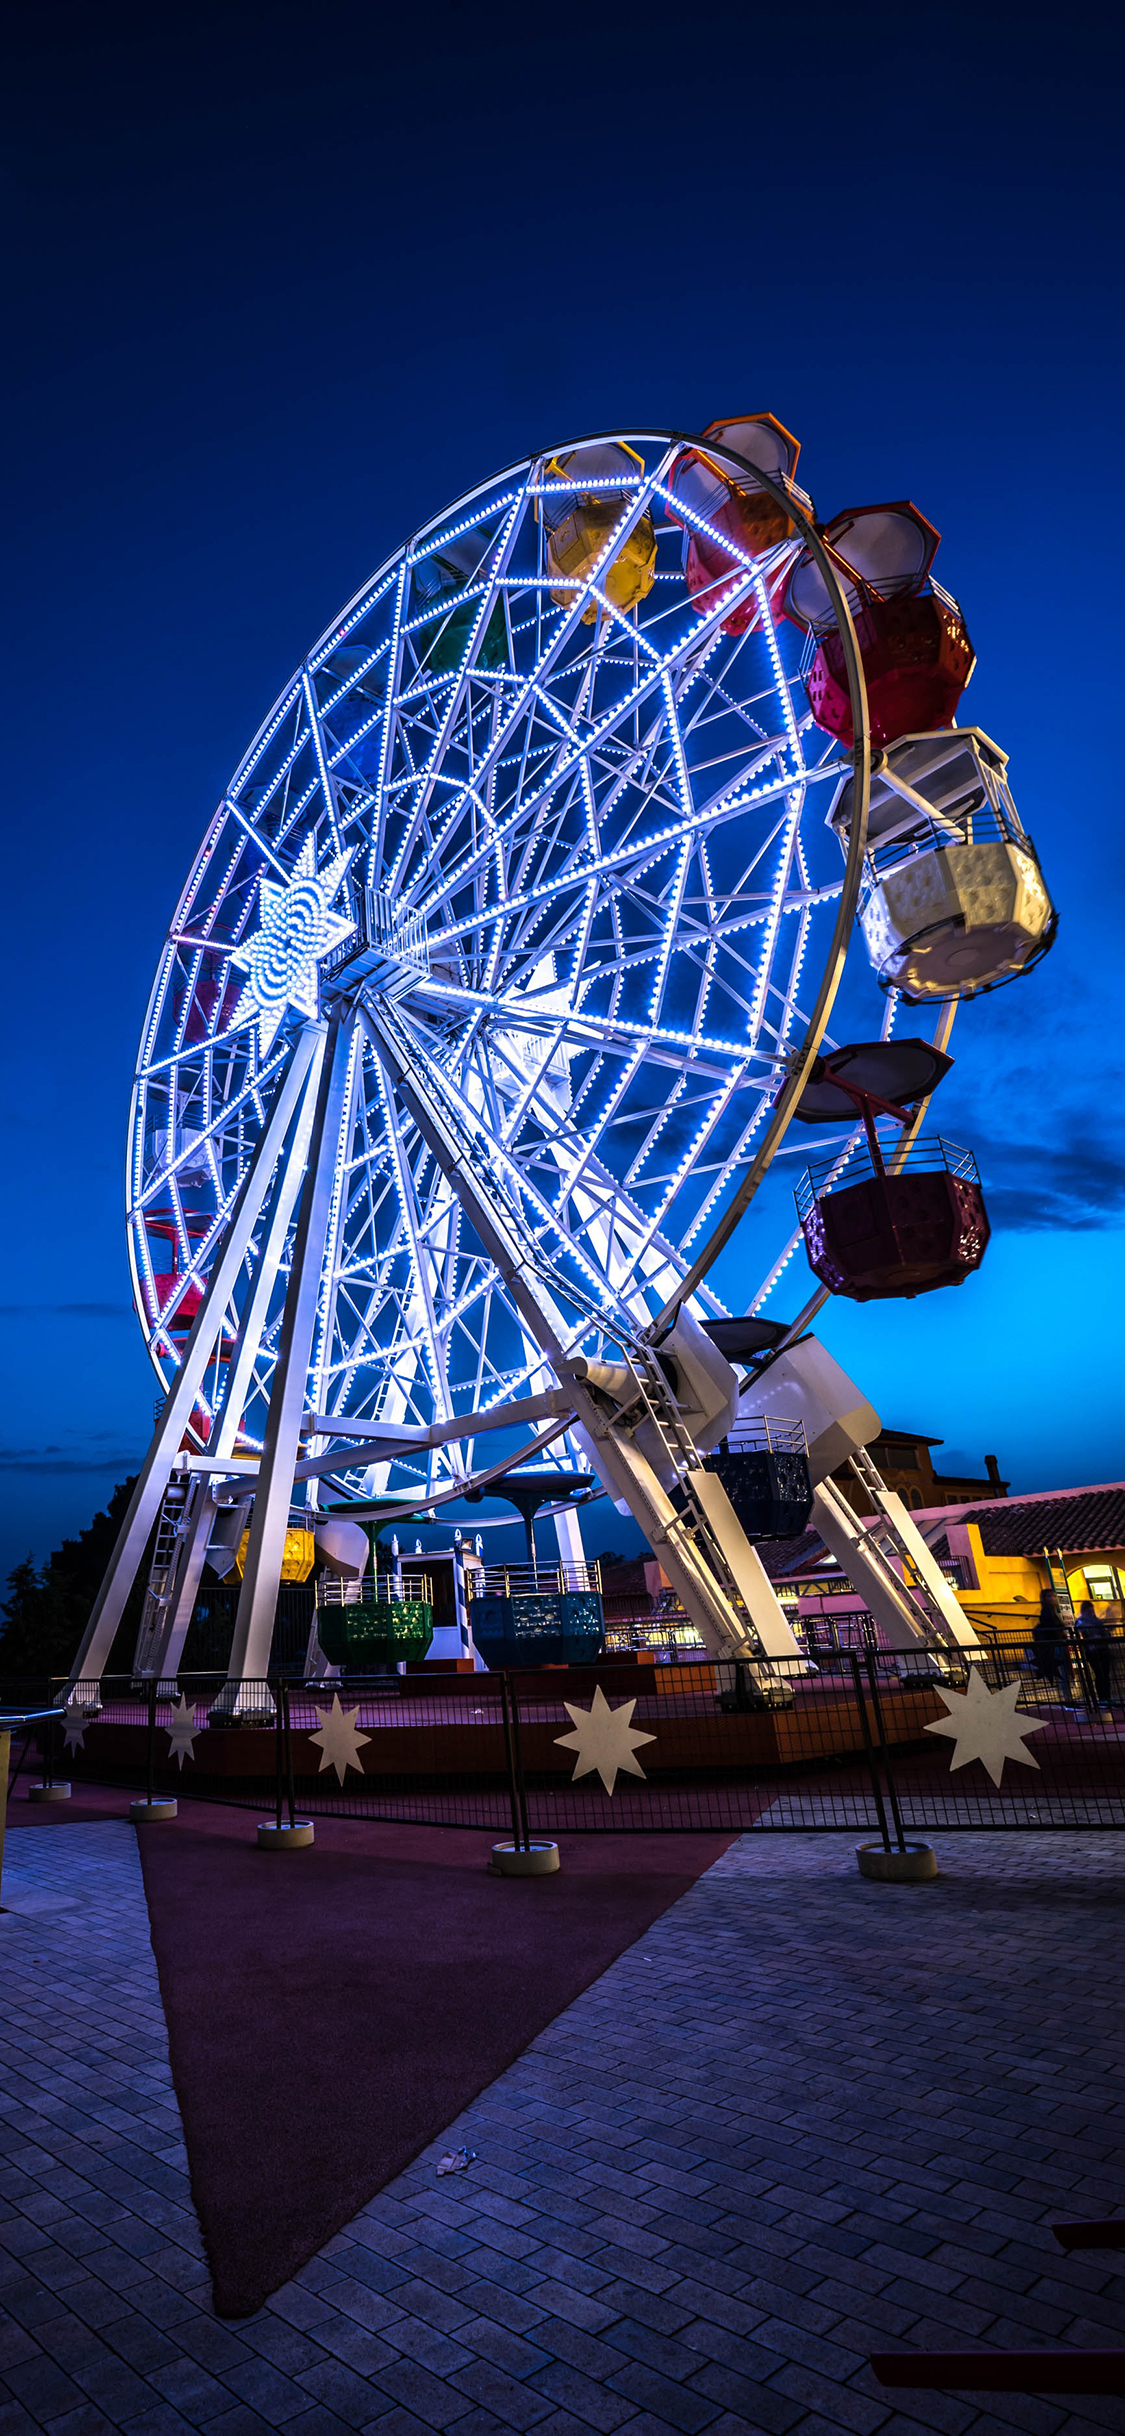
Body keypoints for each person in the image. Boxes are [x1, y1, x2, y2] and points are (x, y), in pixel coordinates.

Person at [1075, 1598, 1115, 1709]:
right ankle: (1103, 1698)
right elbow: (1081, 1631)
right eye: (1089, 1611)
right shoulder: (1084, 1621)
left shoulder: (1092, 1621)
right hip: (1093, 1650)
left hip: (1100, 1649)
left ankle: (1107, 1698)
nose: (1091, 1613)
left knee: (1105, 1674)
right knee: (1100, 1674)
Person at [1031, 1589, 1067, 1694]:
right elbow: (1052, 1627)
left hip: (1055, 1643)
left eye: (1054, 1596)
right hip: (1055, 1644)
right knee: (1063, 1671)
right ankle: (1066, 1697)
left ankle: (1067, 1696)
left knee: (1063, 1671)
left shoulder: (1051, 1610)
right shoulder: (1047, 1611)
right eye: (1049, 1596)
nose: (1052, 1598)